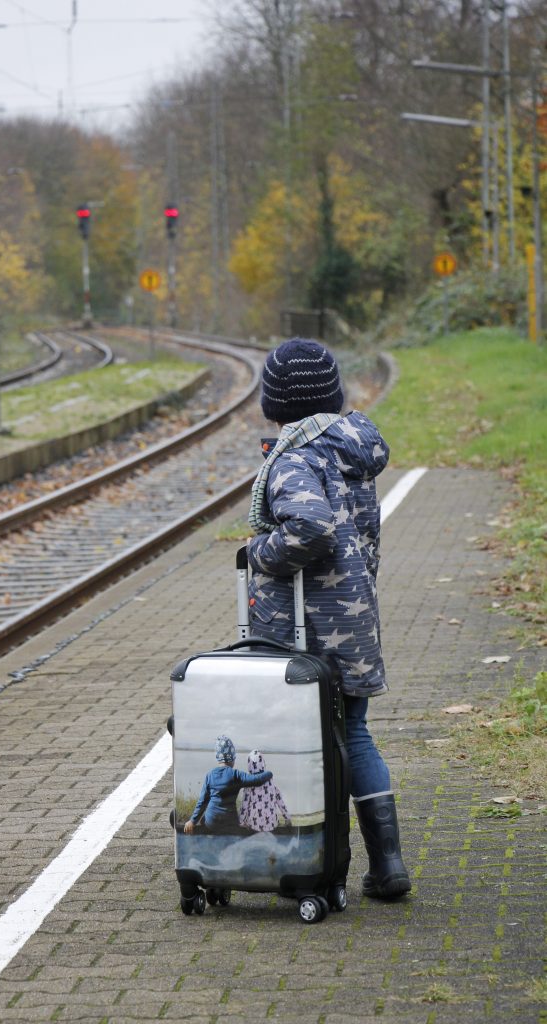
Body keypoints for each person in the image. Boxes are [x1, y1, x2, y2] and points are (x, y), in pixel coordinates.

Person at [246, 337, 411, 900]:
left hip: (306, 629)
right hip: (356, 618)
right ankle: (387, 864)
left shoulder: (294, 457)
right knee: (356, 736)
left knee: (298, 739)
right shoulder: (350, 447)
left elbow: (310, 527)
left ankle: (304, 858)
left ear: (277, 404)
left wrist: (264, 552)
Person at [184, 735, 273, 835]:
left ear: (218, 757)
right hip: (230, 823)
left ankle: (210, 838)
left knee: (204, 819)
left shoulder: (210, 775)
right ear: (233, 758)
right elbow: (257, 780)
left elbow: (202, 801)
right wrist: (269, 773)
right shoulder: (236, 775)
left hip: (212, 823)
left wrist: (192, 821)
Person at [238, 750, 292, 832]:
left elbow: (244, 805)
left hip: (254, 825)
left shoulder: (249, 783)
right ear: (263, 763)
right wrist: (287, 818)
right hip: (272, 825)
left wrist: (241, 822)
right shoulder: (270, 781)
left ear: (249, 765)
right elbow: (280, 800)